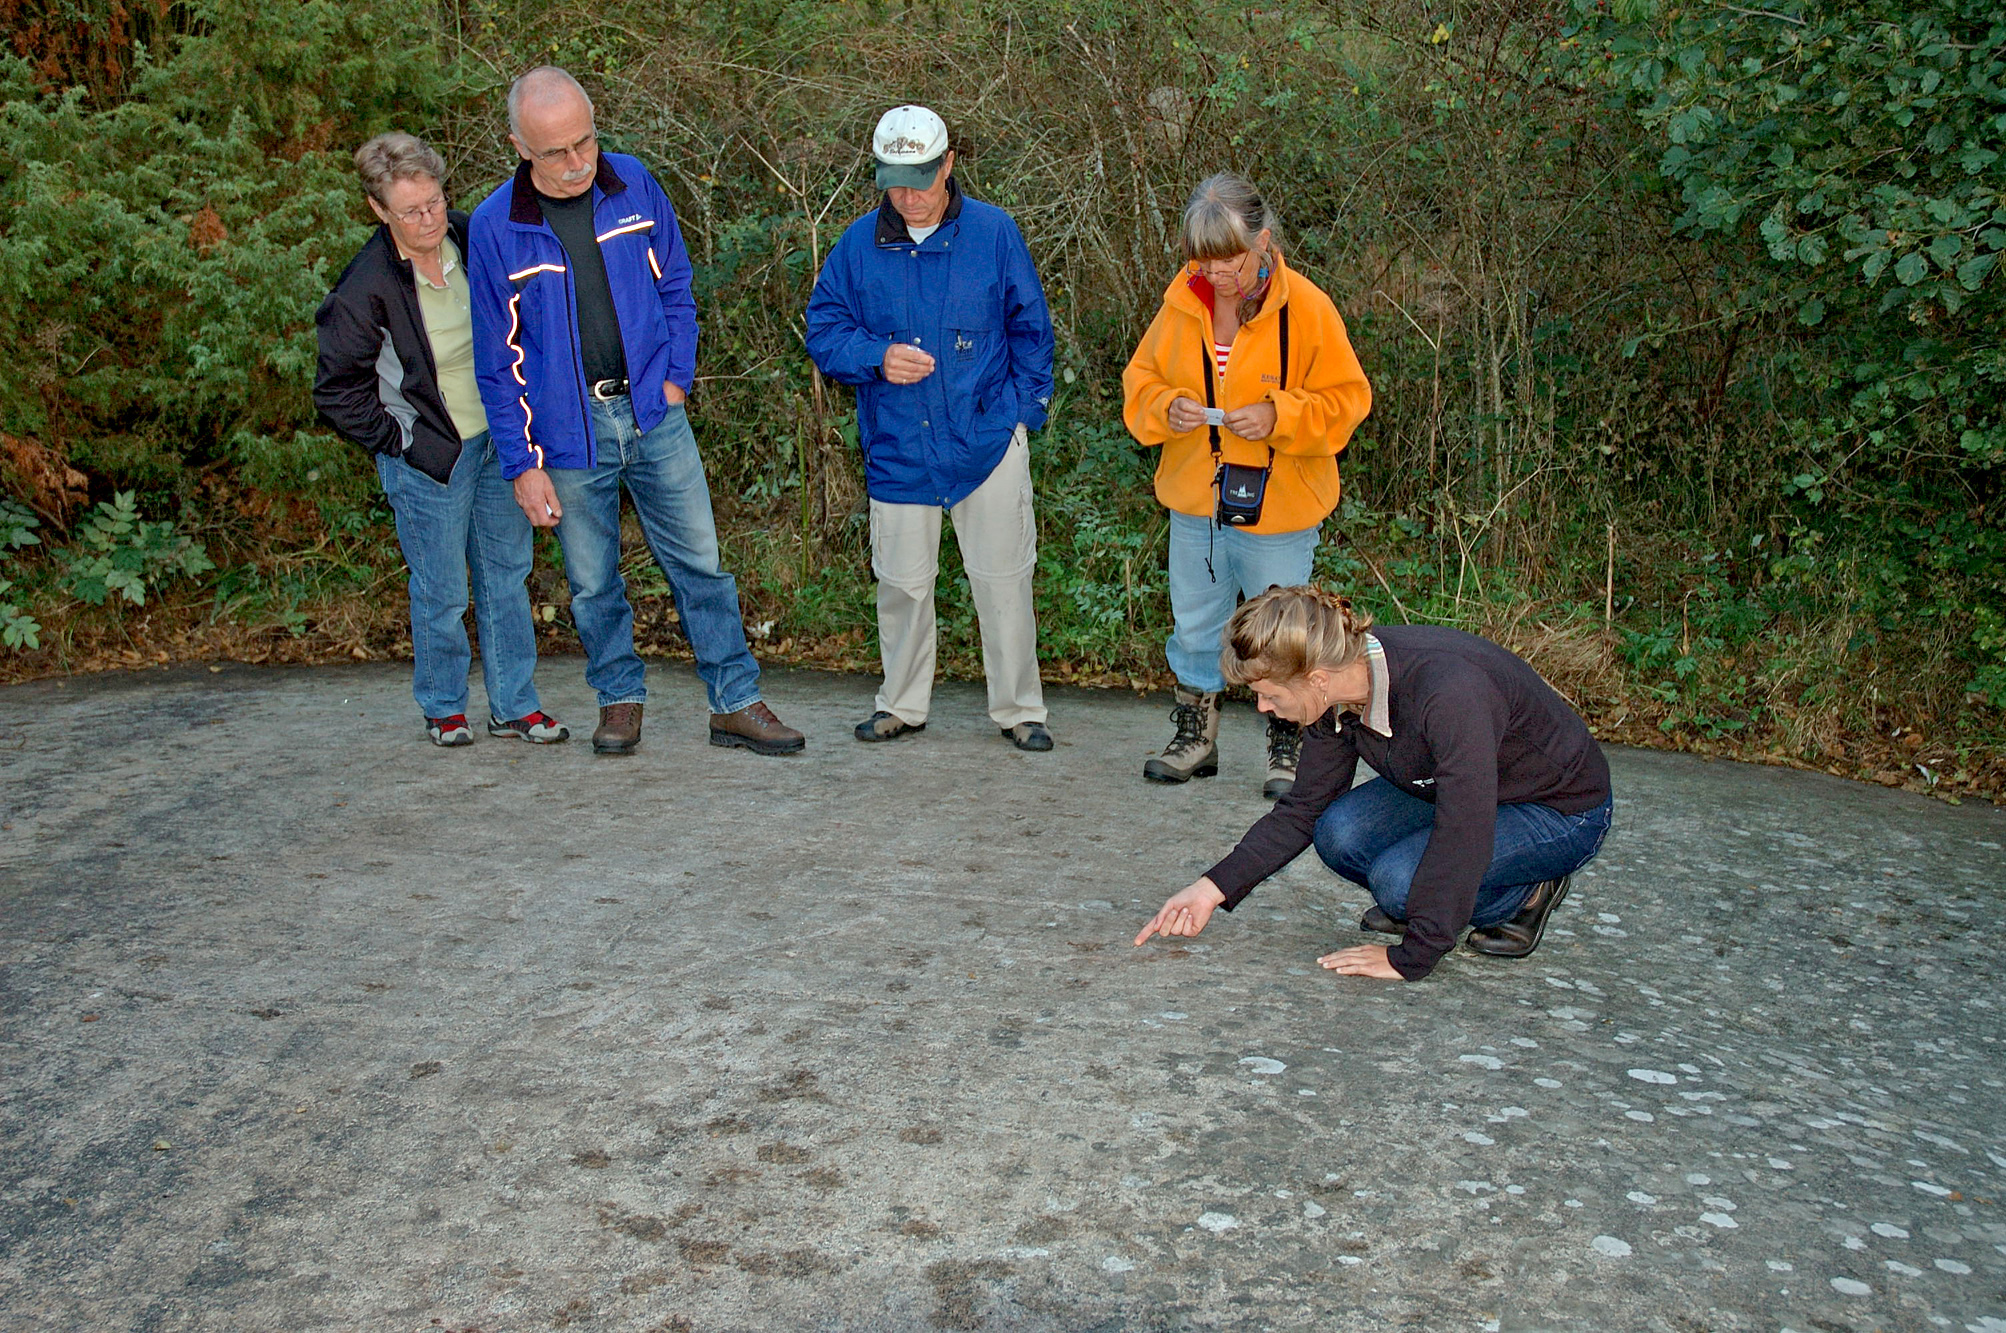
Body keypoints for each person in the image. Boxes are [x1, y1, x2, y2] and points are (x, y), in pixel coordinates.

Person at [466, 66, 802, 757]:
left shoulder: (634, 183)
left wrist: (675, 378)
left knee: (702, 567)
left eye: (584, 142)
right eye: (555, 151)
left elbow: (677, 283)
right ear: (518, 145)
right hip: (566, 437)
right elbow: (498, 365)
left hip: (654, 415)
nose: (576, 163)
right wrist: (522, 463)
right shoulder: (497, 227)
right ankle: (619, 699)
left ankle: (735, 701)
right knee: (592, 583)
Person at [1134, 587, 1614, 981]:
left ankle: (1527, 892)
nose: (1262, 708)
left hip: (1558, 808)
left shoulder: (1449, 694)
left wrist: (1414, 954)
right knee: (1337, 831)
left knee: (1400, 883)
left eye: (1268, 695)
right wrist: (1211, 888)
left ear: (1316, 677)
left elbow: (1464, 828)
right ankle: (1429, 895)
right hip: (1459, 787)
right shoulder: (1335, 695)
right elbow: (1304, 808)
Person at [805, 105, 1058, 752]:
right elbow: (825, 330)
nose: (909, 195)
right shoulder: (857, 245)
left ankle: (1020, 709)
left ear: (949, 163)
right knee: (902, 585)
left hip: (987, 439)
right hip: (899, 446)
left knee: (1005, 581)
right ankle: (901, 704)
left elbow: (1032, 330)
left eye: (921, 177)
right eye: (895, 180)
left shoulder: (995, 233)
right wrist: (875, 357)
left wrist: (1023, 415)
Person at [314, 132, 566, 749]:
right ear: (378, 210)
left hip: (500, 441)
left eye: (434, 201)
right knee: (443, 589)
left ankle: (514, 705)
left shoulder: (472, 236)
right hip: (431, 458)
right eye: (410, 211)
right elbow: (336, 391)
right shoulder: (363, 288)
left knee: (507, 575)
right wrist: (403, 442)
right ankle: (444, 706)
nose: (428, 218)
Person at [1123, 174, 1371, 798]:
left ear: (1264, 241)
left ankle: (1290, 750)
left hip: (1281, 508)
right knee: (1196, 624)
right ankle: (1196, 739)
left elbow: (1348, 402)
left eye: (1232, 258)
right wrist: (1168, 406)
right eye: (1204, 261)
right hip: (1196, 502)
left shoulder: (1309, 308)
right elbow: (1139, 384)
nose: (1219, 275)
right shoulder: (1181, 302)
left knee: (1284, 632)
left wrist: (1278, 417)